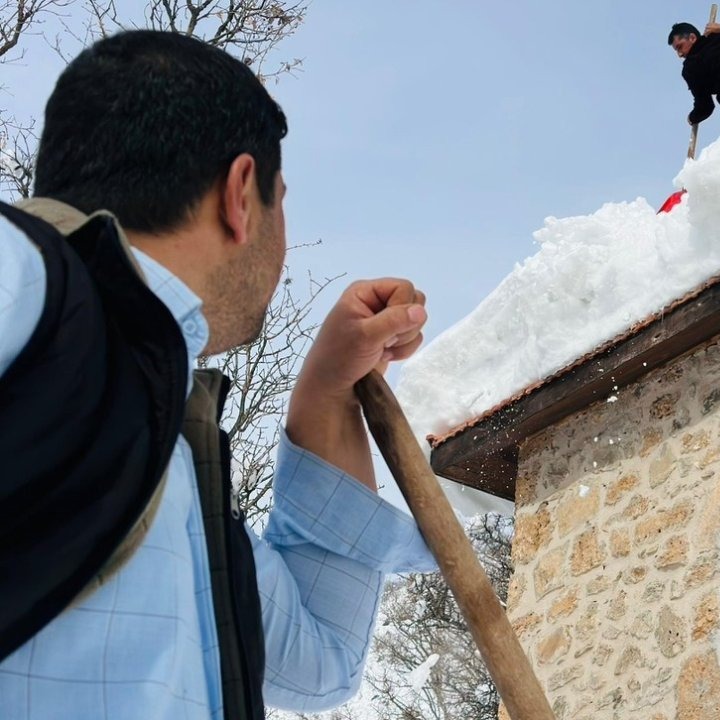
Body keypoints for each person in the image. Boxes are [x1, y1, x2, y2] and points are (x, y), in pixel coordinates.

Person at [0, 30, 438, 719]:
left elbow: (319, 662)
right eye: (280, 198)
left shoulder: (167, 456)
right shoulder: (27, 279)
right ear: (241, 194)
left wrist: (326, 393)